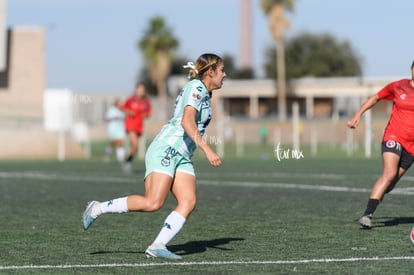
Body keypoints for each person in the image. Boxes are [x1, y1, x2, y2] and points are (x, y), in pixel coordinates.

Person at [82, 53, 226, 259]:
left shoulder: (204, 92)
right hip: (167, 147)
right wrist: (207, 149)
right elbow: (187, 122)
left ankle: (158, 245)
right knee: (153, 202)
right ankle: (97, 208)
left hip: (183, 155)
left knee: (188, 201)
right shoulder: (196, 88)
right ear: (210, 72)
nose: (224, 74)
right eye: (221, 70)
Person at [347, 60, 414, 229]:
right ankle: (367, 215)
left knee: (389, 186)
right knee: (389, 173)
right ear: (411, 69)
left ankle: (374, 202)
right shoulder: (399, 87)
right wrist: (358, 115)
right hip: (394, 136)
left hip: (412, 147)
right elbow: (376, 98)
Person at [121, 83, 152, 171]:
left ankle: (127, 160)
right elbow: (123, 108)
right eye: (139, 90)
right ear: (136, 90)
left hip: (139, 126)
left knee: (135, 146)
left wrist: (145, 114)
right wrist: (129, 112)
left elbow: (148, 113)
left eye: (142, 90)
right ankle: (127, 162)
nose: (140, 92)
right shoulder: (130, 100)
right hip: (130, 125)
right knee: (135, 143)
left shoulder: (145, 101)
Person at [104, 98, 126, 163]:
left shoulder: (122, 110)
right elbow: (107, 118)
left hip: (120, 129)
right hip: (113, 129)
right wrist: (113, 118)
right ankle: (107, 155)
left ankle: (121, 158)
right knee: (112, 143)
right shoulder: (112, 110)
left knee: (121, 142)